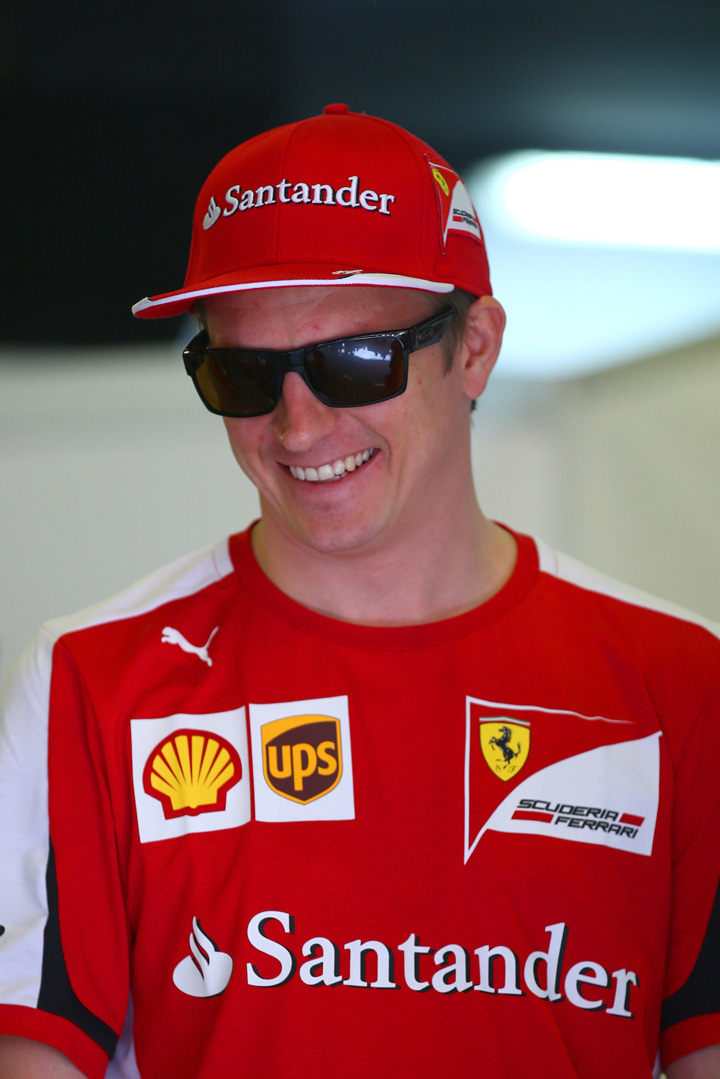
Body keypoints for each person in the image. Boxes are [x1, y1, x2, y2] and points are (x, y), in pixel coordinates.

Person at [0, 104, 719, 1079]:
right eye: (244, 372)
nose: (298, 425)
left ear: (474, 347)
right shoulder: (92, 675)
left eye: (353, 362)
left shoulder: (680, 680)